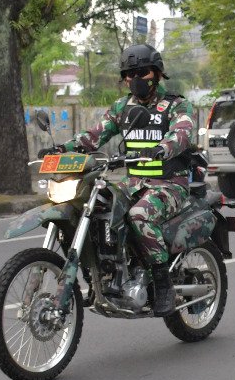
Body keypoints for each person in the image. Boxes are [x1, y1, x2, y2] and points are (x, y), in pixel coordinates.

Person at [47, 43, 196, 316]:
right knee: (95, 207)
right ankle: (103, 275)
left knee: (140, 215)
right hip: (133, 182)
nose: (134, 79)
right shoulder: (122, 107)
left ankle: (163, 283)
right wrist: (63, 149)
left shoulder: (177, 104)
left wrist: (162, 148)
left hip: (170, 184)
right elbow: (94, 135)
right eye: (129, 74)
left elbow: (182, 134)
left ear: (157, 73)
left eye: (141, 72)